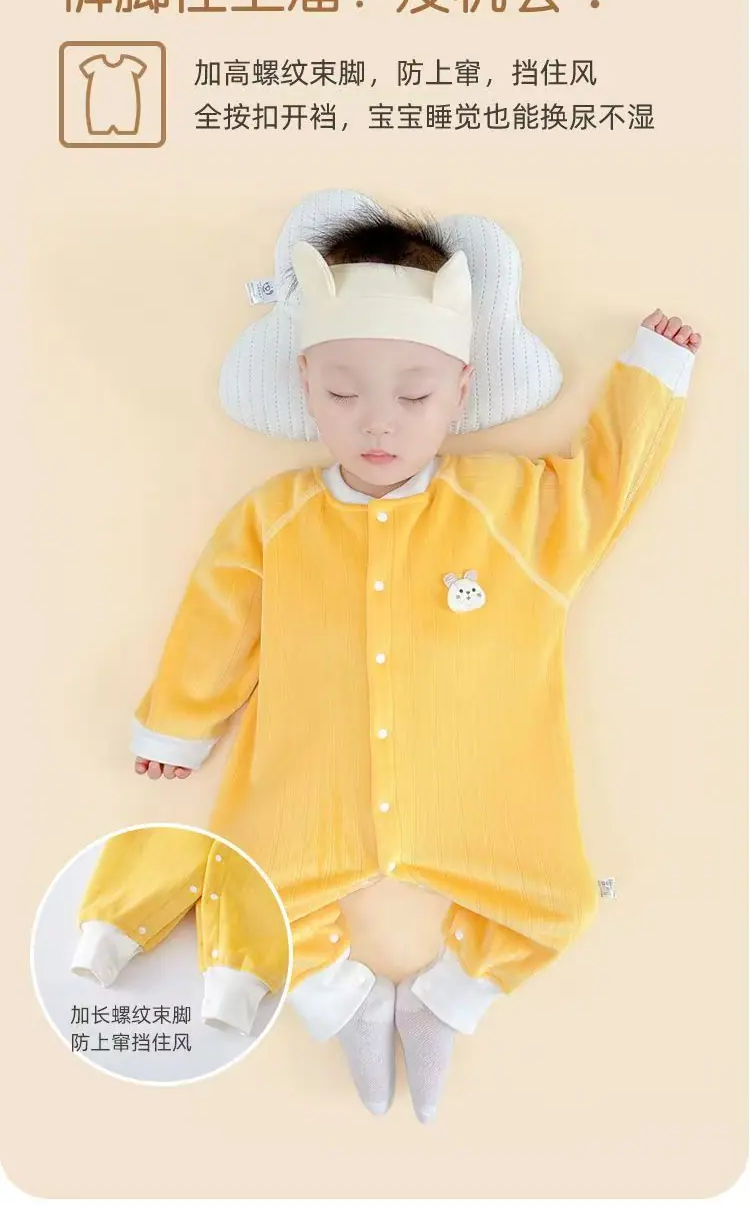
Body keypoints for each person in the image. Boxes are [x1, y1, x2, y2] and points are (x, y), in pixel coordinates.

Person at [129, 205, 702, 1121]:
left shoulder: (508, 510)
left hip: (484, 791)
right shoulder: (275, 517)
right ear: (306, 384)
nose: (378, 423)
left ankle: (446, 1002)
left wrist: (652, 376)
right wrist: (179, 722)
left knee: (558, 902)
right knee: (238, 894)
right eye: (343, 393)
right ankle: (345, 1004)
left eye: (415, 396)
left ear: (461, 390)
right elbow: (217, 619)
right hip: (311, 791)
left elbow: (603, 487)